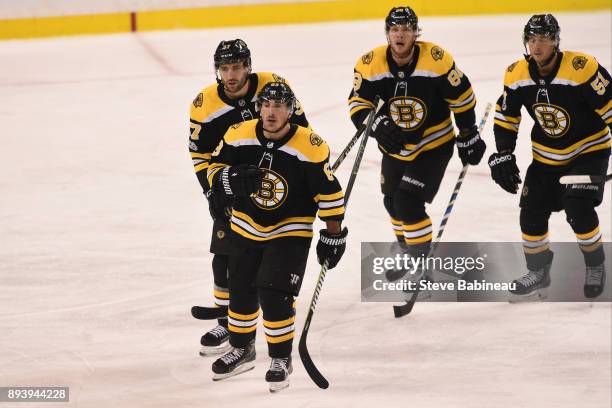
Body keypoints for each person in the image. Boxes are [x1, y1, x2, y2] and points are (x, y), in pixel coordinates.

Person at [205, 82, 347, 392]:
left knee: (273, 293)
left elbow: (330, 194)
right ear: (259, 108)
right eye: (267, 105)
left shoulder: (309, 146)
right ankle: (242, 349)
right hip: (244, 225)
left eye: (279, 106)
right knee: (240, 290)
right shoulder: (237, 134)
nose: (271, 112)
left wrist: (334, 235)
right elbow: (214, 169)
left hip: (289, 230)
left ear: (290, 110)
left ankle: (281, 358)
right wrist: (228, 178)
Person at [189, 39, 309, 356]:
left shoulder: (273, 87)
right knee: (224, 257)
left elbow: (301, 132)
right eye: (225, 68)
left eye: (237, 67)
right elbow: (200, 154)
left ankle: (243, 327)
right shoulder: (204, 104)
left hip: (273, 189)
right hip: (233, 188)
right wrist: (213, 189)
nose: (230, 75)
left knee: (258, 263)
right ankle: (228, 320)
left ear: (248, 67)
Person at [347, 6, 485, 279]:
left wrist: (468, 132)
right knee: (391, 201)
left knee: (407, 203)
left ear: (415, 33)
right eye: (395, 29)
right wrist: (377, 125)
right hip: (395, 145)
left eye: (407, 29)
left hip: (433, 144)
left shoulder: (436, 60)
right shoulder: (369, 64)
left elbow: (462, 98)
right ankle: (407, 249)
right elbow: (357, 104)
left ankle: (419, 262)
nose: (400, 35)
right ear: (388, 33)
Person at [488, 14, 611, 300]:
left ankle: (596, 265)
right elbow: (507, 116)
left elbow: (610, 107)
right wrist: (504, 153)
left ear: (556, 41)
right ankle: (539, 272)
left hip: (588, 150)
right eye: (532, 40)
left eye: (543, 39)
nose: (537, 46)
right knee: (531, 213)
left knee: (578, 207)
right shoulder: (516, 74)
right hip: (546, 157)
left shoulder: (582, 69)